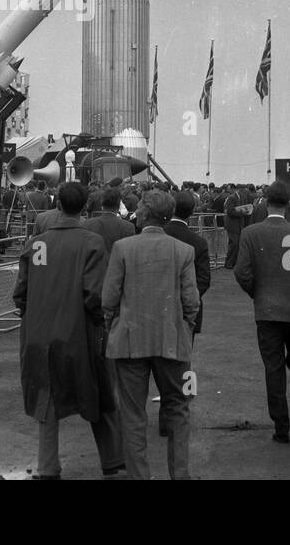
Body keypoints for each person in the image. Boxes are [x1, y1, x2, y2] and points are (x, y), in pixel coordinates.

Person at [14, 180, 123, 479]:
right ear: (86, 207)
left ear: (58, 205)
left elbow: (20, 293)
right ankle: (113, 462)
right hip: (79, 334)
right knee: (98, 394)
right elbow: (94, 295)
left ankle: (47, 467)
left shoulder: (36, 244)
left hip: (38, 334)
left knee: (45, 400)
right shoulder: (91, 242)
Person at [103, 190, 199, 480]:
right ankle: (179, 475)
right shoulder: (183, 251)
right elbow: (192, 302)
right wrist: (184, 329)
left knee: (133, 415)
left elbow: (108, 299)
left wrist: (114, 327)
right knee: (180, 409)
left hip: (130, 342)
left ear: (143, 214)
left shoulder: (122, 248)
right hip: (172, 341)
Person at [234, 179, 290, 442]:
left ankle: (280, 425)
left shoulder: (251, 233)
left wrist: (256, 292)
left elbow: (242, 272)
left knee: (273, 367)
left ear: (266, 201)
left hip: (267, 310)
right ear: (289, 203)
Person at [166, 190, 212, 339]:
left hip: (159, 307)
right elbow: (203, 279)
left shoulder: (159, 235)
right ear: (192, 212)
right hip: (188, 311)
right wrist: (188, 299)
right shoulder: (199, 242)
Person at [81, 186, 136, 257]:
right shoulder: (128, 227)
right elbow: (130, 254)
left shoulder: (88, 224)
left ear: (102, 204)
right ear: (119, 204)